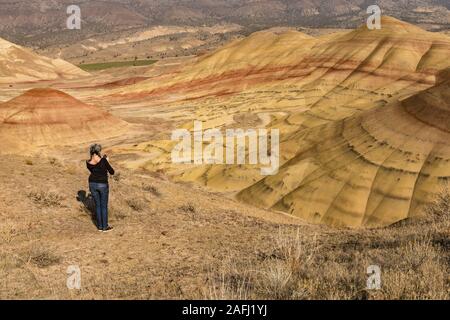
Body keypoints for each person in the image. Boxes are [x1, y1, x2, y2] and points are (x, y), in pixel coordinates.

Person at [86, 144, 115, 232]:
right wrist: (107, 161)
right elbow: (112, 172)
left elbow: (94, 170)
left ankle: (99, 227)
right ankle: (105, 227)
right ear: (98, 151)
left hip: (92, 183)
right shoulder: (103, 160)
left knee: (98, 205)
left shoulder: (87, 162)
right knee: (103, 206)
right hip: (102, 184)